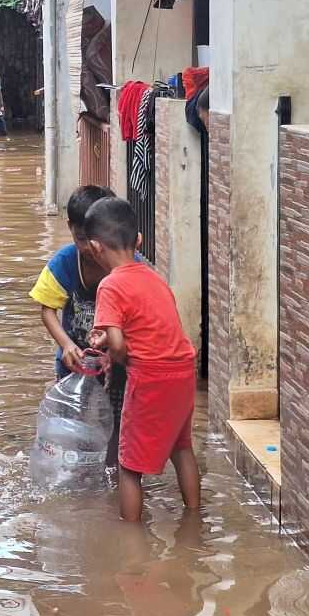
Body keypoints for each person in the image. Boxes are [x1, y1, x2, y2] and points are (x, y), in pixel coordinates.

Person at [84, 197, 200, 521]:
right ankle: (194, 518)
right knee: (182, 448)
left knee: (130, 466)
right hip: (182, 371)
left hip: (149, 377)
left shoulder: (110, 285)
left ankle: (132, 538)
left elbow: (118, 342)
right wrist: (114, 339)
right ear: (138, 240)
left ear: (95, 247)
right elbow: (153, 325)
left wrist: (116, 354)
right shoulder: (154, 277)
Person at [30, 185, 145, 467]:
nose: (88, 248)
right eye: (81, 239)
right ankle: (78, 468)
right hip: (75, 363)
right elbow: (47, 309)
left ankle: (114, 469)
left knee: (118, 420)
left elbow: (140, 318)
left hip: (118, 363)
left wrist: (115, 355)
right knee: (72, 422)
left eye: (94, 240)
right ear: (70, 228)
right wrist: (67, 345)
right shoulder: (65, 263)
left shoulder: (128, 266)